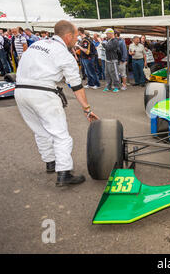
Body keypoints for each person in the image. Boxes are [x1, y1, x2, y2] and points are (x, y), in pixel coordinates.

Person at [14, 20, 99, 187]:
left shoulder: (36, 45)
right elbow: (76, 85)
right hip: (43, 93)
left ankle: (50, 162)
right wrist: (87, 109)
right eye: (76, 36)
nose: (77, 40)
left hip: (20, 91)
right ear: (68, 36)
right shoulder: (63, 54)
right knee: (60, 135)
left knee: (40, 131)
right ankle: (64, 173)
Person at [102, 28, 121, 92]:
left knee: (114, 74)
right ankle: (108, 86)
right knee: (107, 74)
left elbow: (108, 48)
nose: (106, 35)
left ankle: (117, 87)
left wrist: (101, 42)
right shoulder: (109, 40)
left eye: (107, 34)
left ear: (110, 34)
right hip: (108, 59)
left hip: (113, 60)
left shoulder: (115, 41)